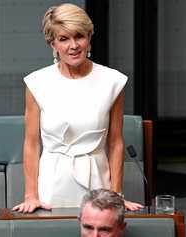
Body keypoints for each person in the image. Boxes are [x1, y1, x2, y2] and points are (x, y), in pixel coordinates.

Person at [13, 3, 143, 213]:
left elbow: (116, 142)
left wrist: (117, 195)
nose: (73, 45)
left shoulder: (113, 81)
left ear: (89, 37)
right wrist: (31, 195)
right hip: (51, 186)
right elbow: (32, 144)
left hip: (98, 185)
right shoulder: (37, 82)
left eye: (79, 36)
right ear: (52, 44)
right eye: (64, 39)